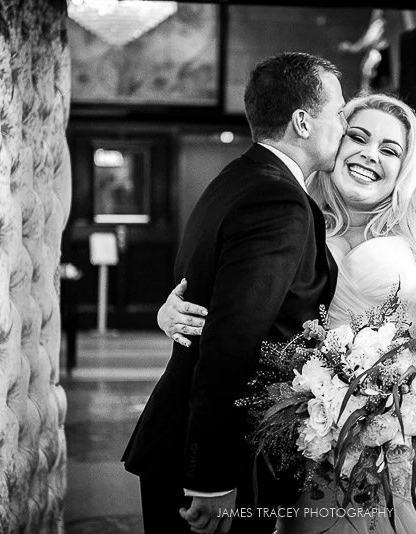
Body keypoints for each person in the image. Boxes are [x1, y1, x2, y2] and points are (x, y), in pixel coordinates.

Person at [159, 94, 416, 533]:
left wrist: (407, 384)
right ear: (335, 140)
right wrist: (171, 310)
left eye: (390, 150)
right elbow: (242, 310)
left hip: (415, 430)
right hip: (317, 427)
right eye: (358, 136)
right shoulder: (294, 214)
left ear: (405, 165)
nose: (369, 155)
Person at [122, 52, 346, 534]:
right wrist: (211, 477)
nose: (344, 127)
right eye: (341, 113)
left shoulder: (238, 177)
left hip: (195, 437)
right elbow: (232, 341)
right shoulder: (278, 199)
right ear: (303, 121)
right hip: (215, 455)